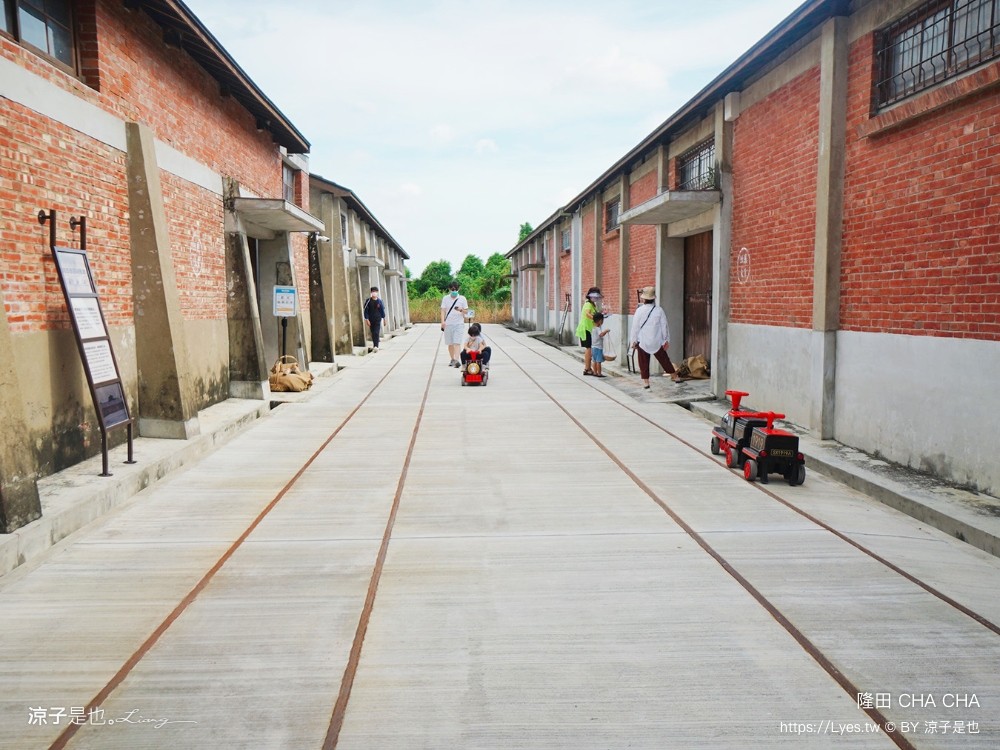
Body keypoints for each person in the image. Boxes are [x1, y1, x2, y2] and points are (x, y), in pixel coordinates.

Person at [629, 286, 679, 389]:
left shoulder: (639, 311)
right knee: (665, 360)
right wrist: (666, 340)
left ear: (643, 299)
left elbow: (635, 327)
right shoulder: (659, 310)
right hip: (657, 341)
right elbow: (664, 326)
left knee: (643, 362)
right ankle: (675, 377)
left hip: (643, 341)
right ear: (653, 298)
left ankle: (646, 383)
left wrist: (633, 341)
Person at [574, 287, 603, 375]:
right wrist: (596, 319)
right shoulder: (588, 304)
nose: (595, 298)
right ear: (590, 296)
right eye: (594, 296)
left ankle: (588, 368)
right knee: (588, 348)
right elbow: (587, 314)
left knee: (590, 348)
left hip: (590, 329)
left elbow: (594, 314)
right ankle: (587, 368)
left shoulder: (593, 305)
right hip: (585, 329)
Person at [441, 281, 469, 367]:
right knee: (450, 344)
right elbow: (442, 310)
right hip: (448, 324)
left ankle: (457, 360)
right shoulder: (445, 298)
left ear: (458, 289)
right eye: (452, 289)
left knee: (457, 343)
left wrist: (461, 310)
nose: (454, 291)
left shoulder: (462, 299)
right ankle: (452, 359)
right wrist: (442, 322)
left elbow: (467, 311)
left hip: (459, 324)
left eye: (456, 289)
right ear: (449, 289)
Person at [363, 286, 386, 352]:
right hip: (370, 319)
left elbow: (382, 311)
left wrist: (384, 319)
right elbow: (365, 311)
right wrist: (367, 319)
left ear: (377, 293)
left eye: (375, 292)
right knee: (373, 333)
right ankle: (374, 345)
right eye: (373, 292)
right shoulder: (368, 301)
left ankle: (376, 346)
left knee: (376, 332)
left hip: (378, 319)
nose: (374, 293)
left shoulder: (380, 301)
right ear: (371, 292)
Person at [590, 312, 609, 377]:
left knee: (594, 360)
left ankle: (595, 372)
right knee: (599, 361)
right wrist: (606, 331)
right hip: (598, 347)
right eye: (602, 320)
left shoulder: (593, 328)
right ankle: (599, 373)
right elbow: (601, 334)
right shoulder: (598, 329)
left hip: (593, 347)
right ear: (600, 321)